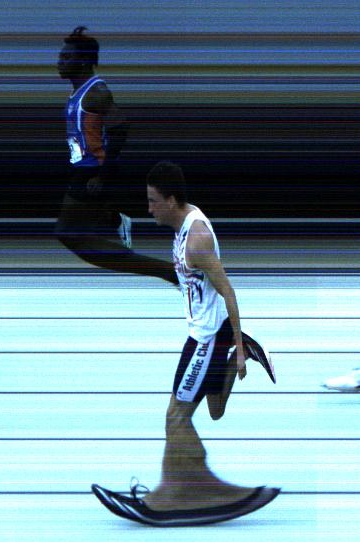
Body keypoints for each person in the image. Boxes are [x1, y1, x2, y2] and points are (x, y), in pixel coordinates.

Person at [92, 162, 278, 526]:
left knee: (176, 417)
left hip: (207, 338)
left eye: (153, 201)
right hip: (202, 335)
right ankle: (185, 489)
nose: (149, 209)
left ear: (172, 200)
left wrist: (239, 347)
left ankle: (183, 492)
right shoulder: (181, 228)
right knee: (213, 410)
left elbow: (228, 291)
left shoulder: (197, 239)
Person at [55, 27, 178, 285]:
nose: (60, 62)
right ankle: (116, 219)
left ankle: (168, 272)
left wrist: (101, 176)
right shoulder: (79, 91)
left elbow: (120, 128)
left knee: (69, 233)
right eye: (60, 56)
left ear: (84, 61)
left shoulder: (96, 93)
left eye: (66, 57)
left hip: (91, 171)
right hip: (82, 167)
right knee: (86, 221)